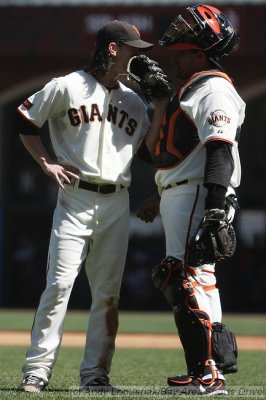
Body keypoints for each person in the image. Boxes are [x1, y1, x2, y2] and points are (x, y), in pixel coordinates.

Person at [15, 20, 166, 393]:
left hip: (117, 201)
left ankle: (95, 376)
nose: (139, 56)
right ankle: (36, 371)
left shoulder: (133, 100)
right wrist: (45, 163)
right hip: (75, 198)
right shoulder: (68, 85)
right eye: (132, 49)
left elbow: (148, 153)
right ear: (112, 49)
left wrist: (160, 106)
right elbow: (23, 117)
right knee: (58, 286)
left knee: (107, 294)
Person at [137, 4, 245, 396]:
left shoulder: (213, 87)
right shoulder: (189, 88)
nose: (175, 58)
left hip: (200, 191)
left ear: (200, 52)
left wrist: (216, 208)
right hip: (183, 190)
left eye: (182, 52)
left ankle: (205, 374)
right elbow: (157, 154)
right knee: (198, 279)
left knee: (178, 276)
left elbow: (219, 150)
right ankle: (212, 367)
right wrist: (160, 102)